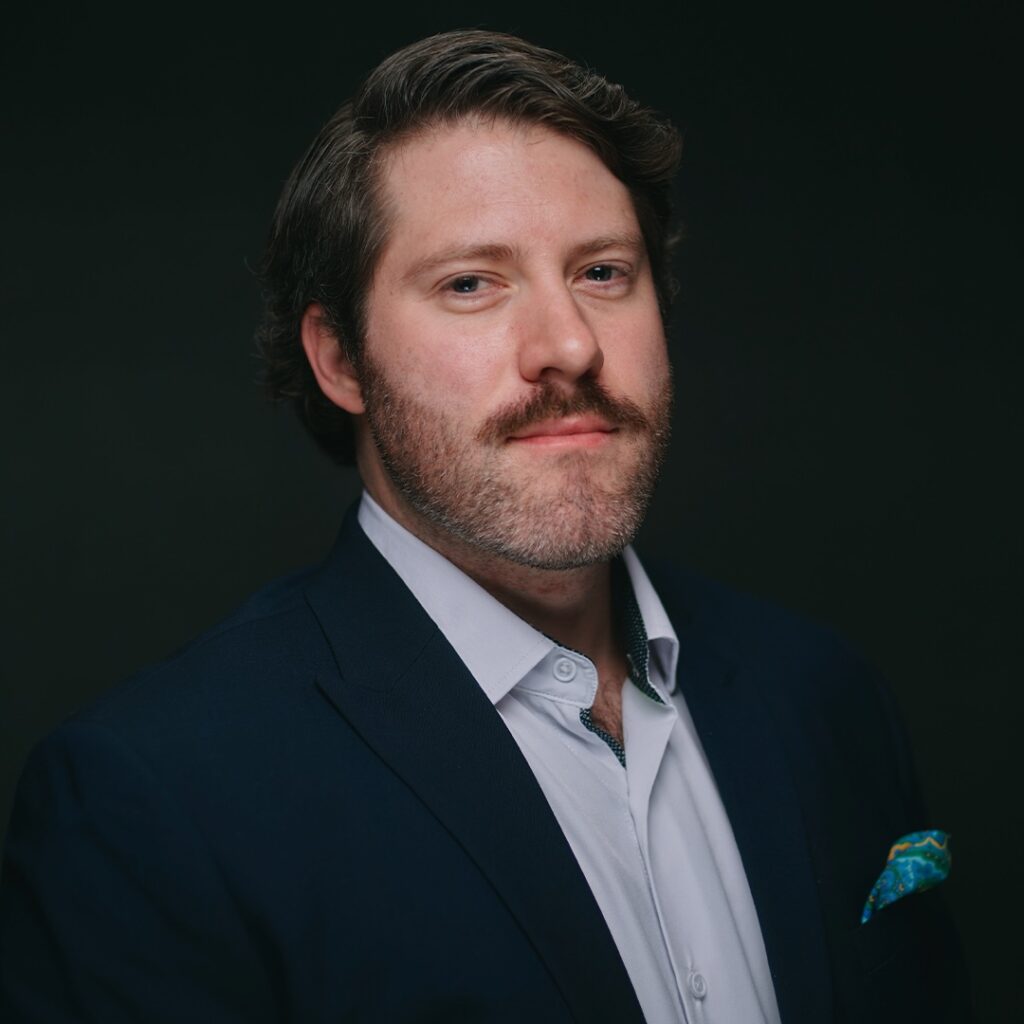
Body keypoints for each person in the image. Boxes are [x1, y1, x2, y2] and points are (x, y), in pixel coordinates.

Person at [0, 30, 967, 1024]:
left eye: (602, 272)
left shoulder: (824, 696)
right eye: (471, 283)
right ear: (339, 360)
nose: (570, 345)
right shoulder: (152, 800)